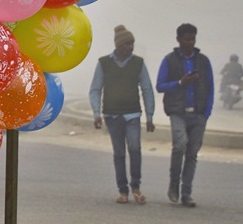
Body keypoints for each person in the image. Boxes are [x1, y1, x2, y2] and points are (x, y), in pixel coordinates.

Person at [88, 25, 156, 204]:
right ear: (118, 45)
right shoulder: (104, 63)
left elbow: (147, 89)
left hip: (133, 114)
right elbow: (95, 89)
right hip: (111, 115)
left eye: (132, 43)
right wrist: (96, 113)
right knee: (119, 153)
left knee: (134, 148)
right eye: (127, 44)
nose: (131, 47)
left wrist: (149, 116)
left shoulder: (138, 63)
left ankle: (136, 186)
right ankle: (123, 190)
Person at [155, 23, 213, 208]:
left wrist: (206, 113)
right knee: (179, 146)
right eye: (186, 39)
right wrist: (181, 82)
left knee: (192, 153)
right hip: (177, 112)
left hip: (198, 114)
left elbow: (210, 87)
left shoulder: (203, 61)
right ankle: (174, 185)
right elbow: (160, 86)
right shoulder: (169, 60)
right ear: (178, 39)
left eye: (192, 39)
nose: (189, 42)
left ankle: (186, 193)